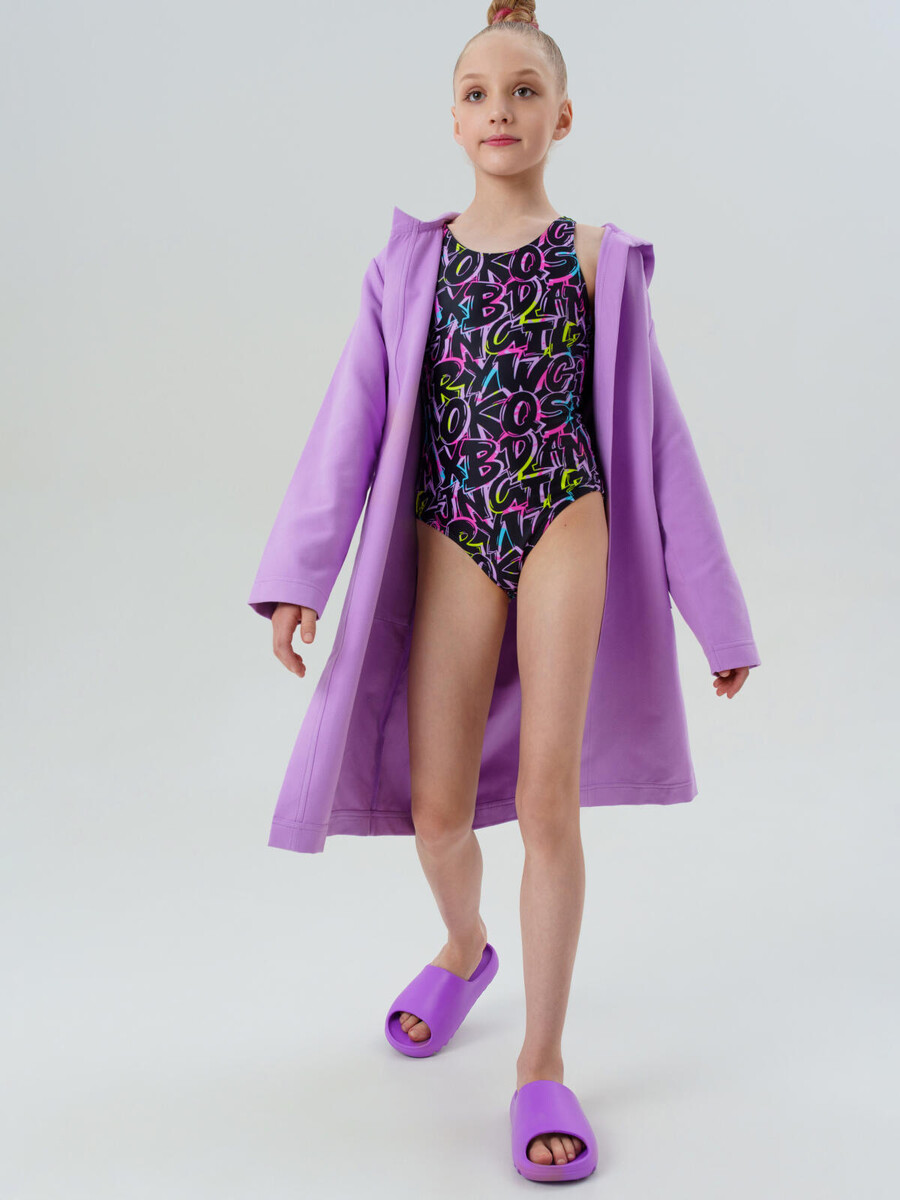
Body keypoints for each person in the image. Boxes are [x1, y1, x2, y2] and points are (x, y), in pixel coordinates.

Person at [253, 1, 759, 1184]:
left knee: (546, 803)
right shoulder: (408, 265)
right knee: (438, 813)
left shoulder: (592, 258)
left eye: (526, 90)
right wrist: (297, 579)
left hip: (565, 517)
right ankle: (465, 945)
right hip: (453, 530)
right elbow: (348, 423)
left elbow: (660, 440)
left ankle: (542, 1060)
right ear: (452, 119)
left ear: (562, 117)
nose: (501, 109)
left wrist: (717, 616)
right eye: (480, 92)